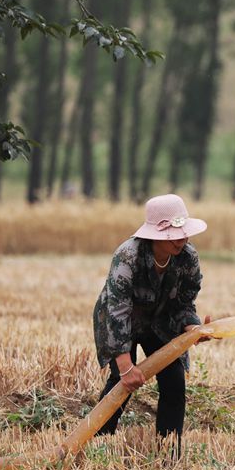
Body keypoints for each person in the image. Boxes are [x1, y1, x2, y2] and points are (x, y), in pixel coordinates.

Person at [92, 194, 211, 454]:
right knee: (121, 383)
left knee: (174, 382)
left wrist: (193, 328)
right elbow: (117, 310)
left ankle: (168, 450)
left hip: (161, 321)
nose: (181, 239)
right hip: (121, 323)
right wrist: (125, 366)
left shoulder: (188, 258)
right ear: (155, 236)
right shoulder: (128, 256)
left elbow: (184, 303)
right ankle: (98, 444)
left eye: (183, 233)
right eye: (173, 235)